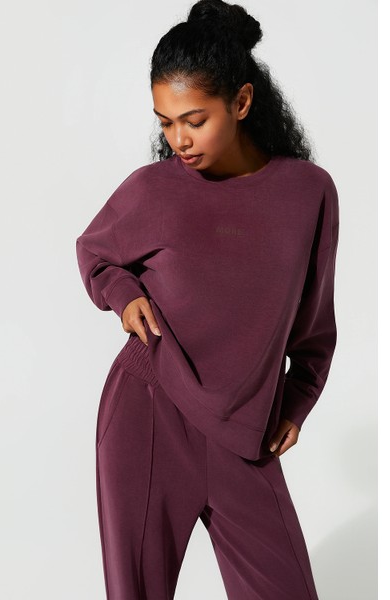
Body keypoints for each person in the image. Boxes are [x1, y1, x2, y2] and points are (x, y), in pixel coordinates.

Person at [75, 1, 339, 598]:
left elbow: (315, 324)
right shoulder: (153, 190)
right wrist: (123, 294)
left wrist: (297, 402)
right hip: (146, 414)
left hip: (246, 435)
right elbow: (95, 252)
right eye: (165, 122)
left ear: (241, 102)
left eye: (194, 120)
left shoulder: (308, 193)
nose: (178, 140)